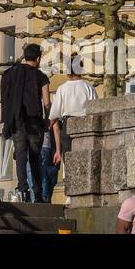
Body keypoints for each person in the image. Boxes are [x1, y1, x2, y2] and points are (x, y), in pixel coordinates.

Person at [0, 43, 51, 203]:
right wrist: (47, 119)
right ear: (38, 58)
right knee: (35, 158)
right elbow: (47, 102)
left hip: (17, 120)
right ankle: (38, 193)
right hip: (34, 122)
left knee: (21, 156)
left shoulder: (11, 73)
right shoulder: (41, 76)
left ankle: (23, 189)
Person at [45, 54, 98, 201]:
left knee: (69, 160)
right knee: (85, 158)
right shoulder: (89, 88)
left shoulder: (62, 89)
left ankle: (71, 193)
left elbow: (54, 114)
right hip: (86, 125)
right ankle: (85, 190)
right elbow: (95, 109)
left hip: (67, 125)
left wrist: (47, 127)